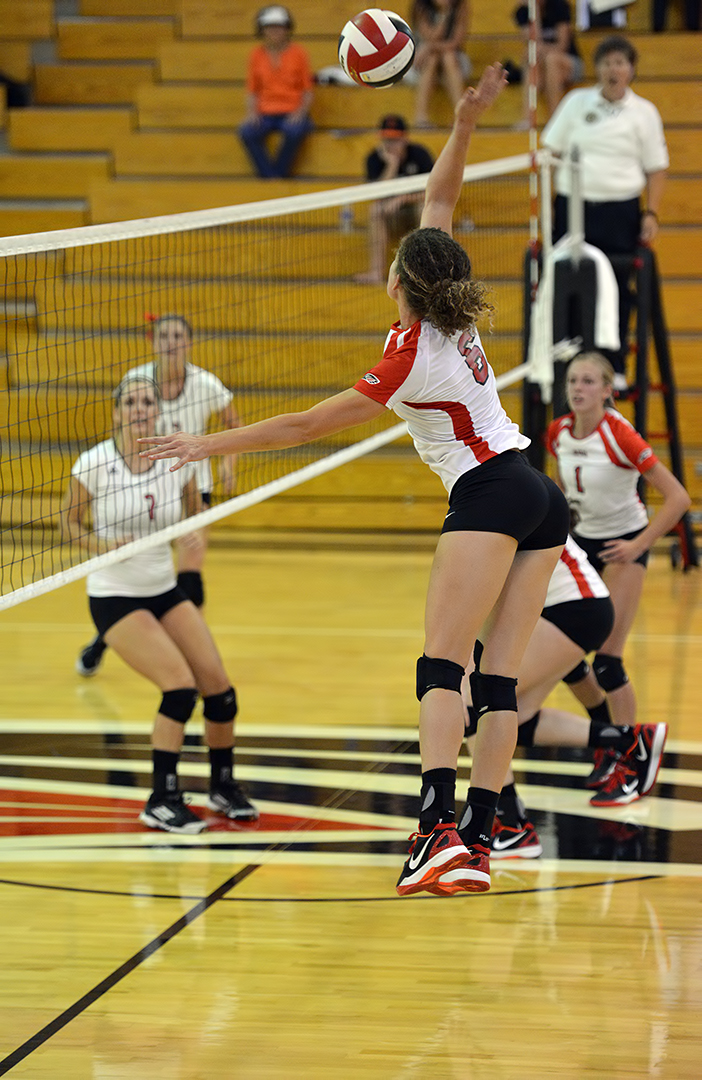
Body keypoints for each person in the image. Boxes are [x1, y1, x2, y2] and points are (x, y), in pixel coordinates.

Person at [139, 64, 571, 900]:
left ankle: (433, 829)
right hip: (536, 492)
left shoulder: (408, 356)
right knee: (498, 681)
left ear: (400, 281)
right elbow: (438, 202)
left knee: (441, 669)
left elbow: (304, 426)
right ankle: (477, 841)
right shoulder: (452, 308)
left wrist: (200, 444)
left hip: (487, 494)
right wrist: (468, 120)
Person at [62, 373, 258, 833]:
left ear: (157, 410)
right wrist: (99, 546)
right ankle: (161, 797)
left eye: (146, 401)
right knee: (179, 688)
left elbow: (195, 511)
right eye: (130, 402)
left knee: (220, 691)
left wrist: (195, 531)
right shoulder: (93, 463)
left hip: (163, 588)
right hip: (115, 596)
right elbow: (68, 523)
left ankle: (222, 785)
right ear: (117, 412)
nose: (139, 408)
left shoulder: (177, 460)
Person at [463, 535, 668, 860]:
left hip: (569, 609)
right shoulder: (510, 491)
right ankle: (629, 739)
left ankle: (511, 825)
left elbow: (488, 583)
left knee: (472, 701)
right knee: (516, 715)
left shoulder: (498, 494)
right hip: (569, 608)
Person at [546, 352, 690, 782]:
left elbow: (678, 497)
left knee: (607, 661)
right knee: (567, 656)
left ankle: (630, 756)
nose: (578, 388)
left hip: (623, 544)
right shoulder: (558, 433)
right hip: (580, 543)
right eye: (573, 380)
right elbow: (561, 486)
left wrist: (639, 545)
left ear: (608, 391)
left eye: (589, 381)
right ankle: (608, 736)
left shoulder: (620, 435)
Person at [76, 314, 238, 677]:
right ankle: (106, 638)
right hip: (139, 483)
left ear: (189, 342)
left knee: (189, 575)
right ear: (153, 341)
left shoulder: (205, 384)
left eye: (178, 335)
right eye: (164, 335)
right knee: (133, 577)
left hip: (190, 486)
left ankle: (191, 652)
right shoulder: (138, 382)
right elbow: (119, 428)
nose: (171, 342)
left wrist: (229, 463)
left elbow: (233, 422)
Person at [541, 35, 669, 384]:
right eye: (606, 62)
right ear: (596, 68)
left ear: (630, 70)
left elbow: (656, 169)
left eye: (620, 62)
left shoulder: (644, 113)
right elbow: (548, 153)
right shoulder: (576, 102)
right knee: (567, 284)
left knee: (615, 288)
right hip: (573, 210)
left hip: (620, 214)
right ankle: (565, 368)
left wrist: (652, 214)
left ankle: (613, 367)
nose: (613, 69)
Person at [355, 115, 434, 285]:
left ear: (405, 138)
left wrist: (404, 198)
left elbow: (433, 192)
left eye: (395, 140)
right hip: (391, 216)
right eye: (387, 140)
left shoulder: (420, 155)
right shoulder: (374, 159)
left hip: (414, 210)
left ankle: (427, 271)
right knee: (375, 210)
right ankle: (376, 271)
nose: (390, 145)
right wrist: (392, 165)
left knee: (424, 208)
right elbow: (376, 196)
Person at [238, 5, 314, 179]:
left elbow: (307, 91)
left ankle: (275, 177)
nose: (274, 32)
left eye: (278, 27)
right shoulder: (256, 55)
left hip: (292, 109)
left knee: (294, 130)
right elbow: (252, 91)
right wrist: (252, 113)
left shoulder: (299, 53)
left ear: (287, 29)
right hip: (265, 112)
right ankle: (272, 177)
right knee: (247, 131)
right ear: (262, 30)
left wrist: (300, 113)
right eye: (269, 27)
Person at [513, 0, 584, 127]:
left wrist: (540, 50)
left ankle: (555, 119)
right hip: (544, 67)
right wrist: (535, 14)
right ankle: (528, 118)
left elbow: (562, 46)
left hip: (569, 63)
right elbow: (534, 44)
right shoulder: (523, 12)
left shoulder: (559, 6)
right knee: (532, 61)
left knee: (551, 59)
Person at [409, 0, 471, 127]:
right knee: (432, 58)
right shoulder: (420, 6)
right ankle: (421, 116)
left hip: (454, 60)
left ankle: (461, 116)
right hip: (423, 62)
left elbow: (455, 43)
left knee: (448, 56)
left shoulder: (461, 5)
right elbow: (431, 36)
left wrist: (429, 47)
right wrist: (443, 15)